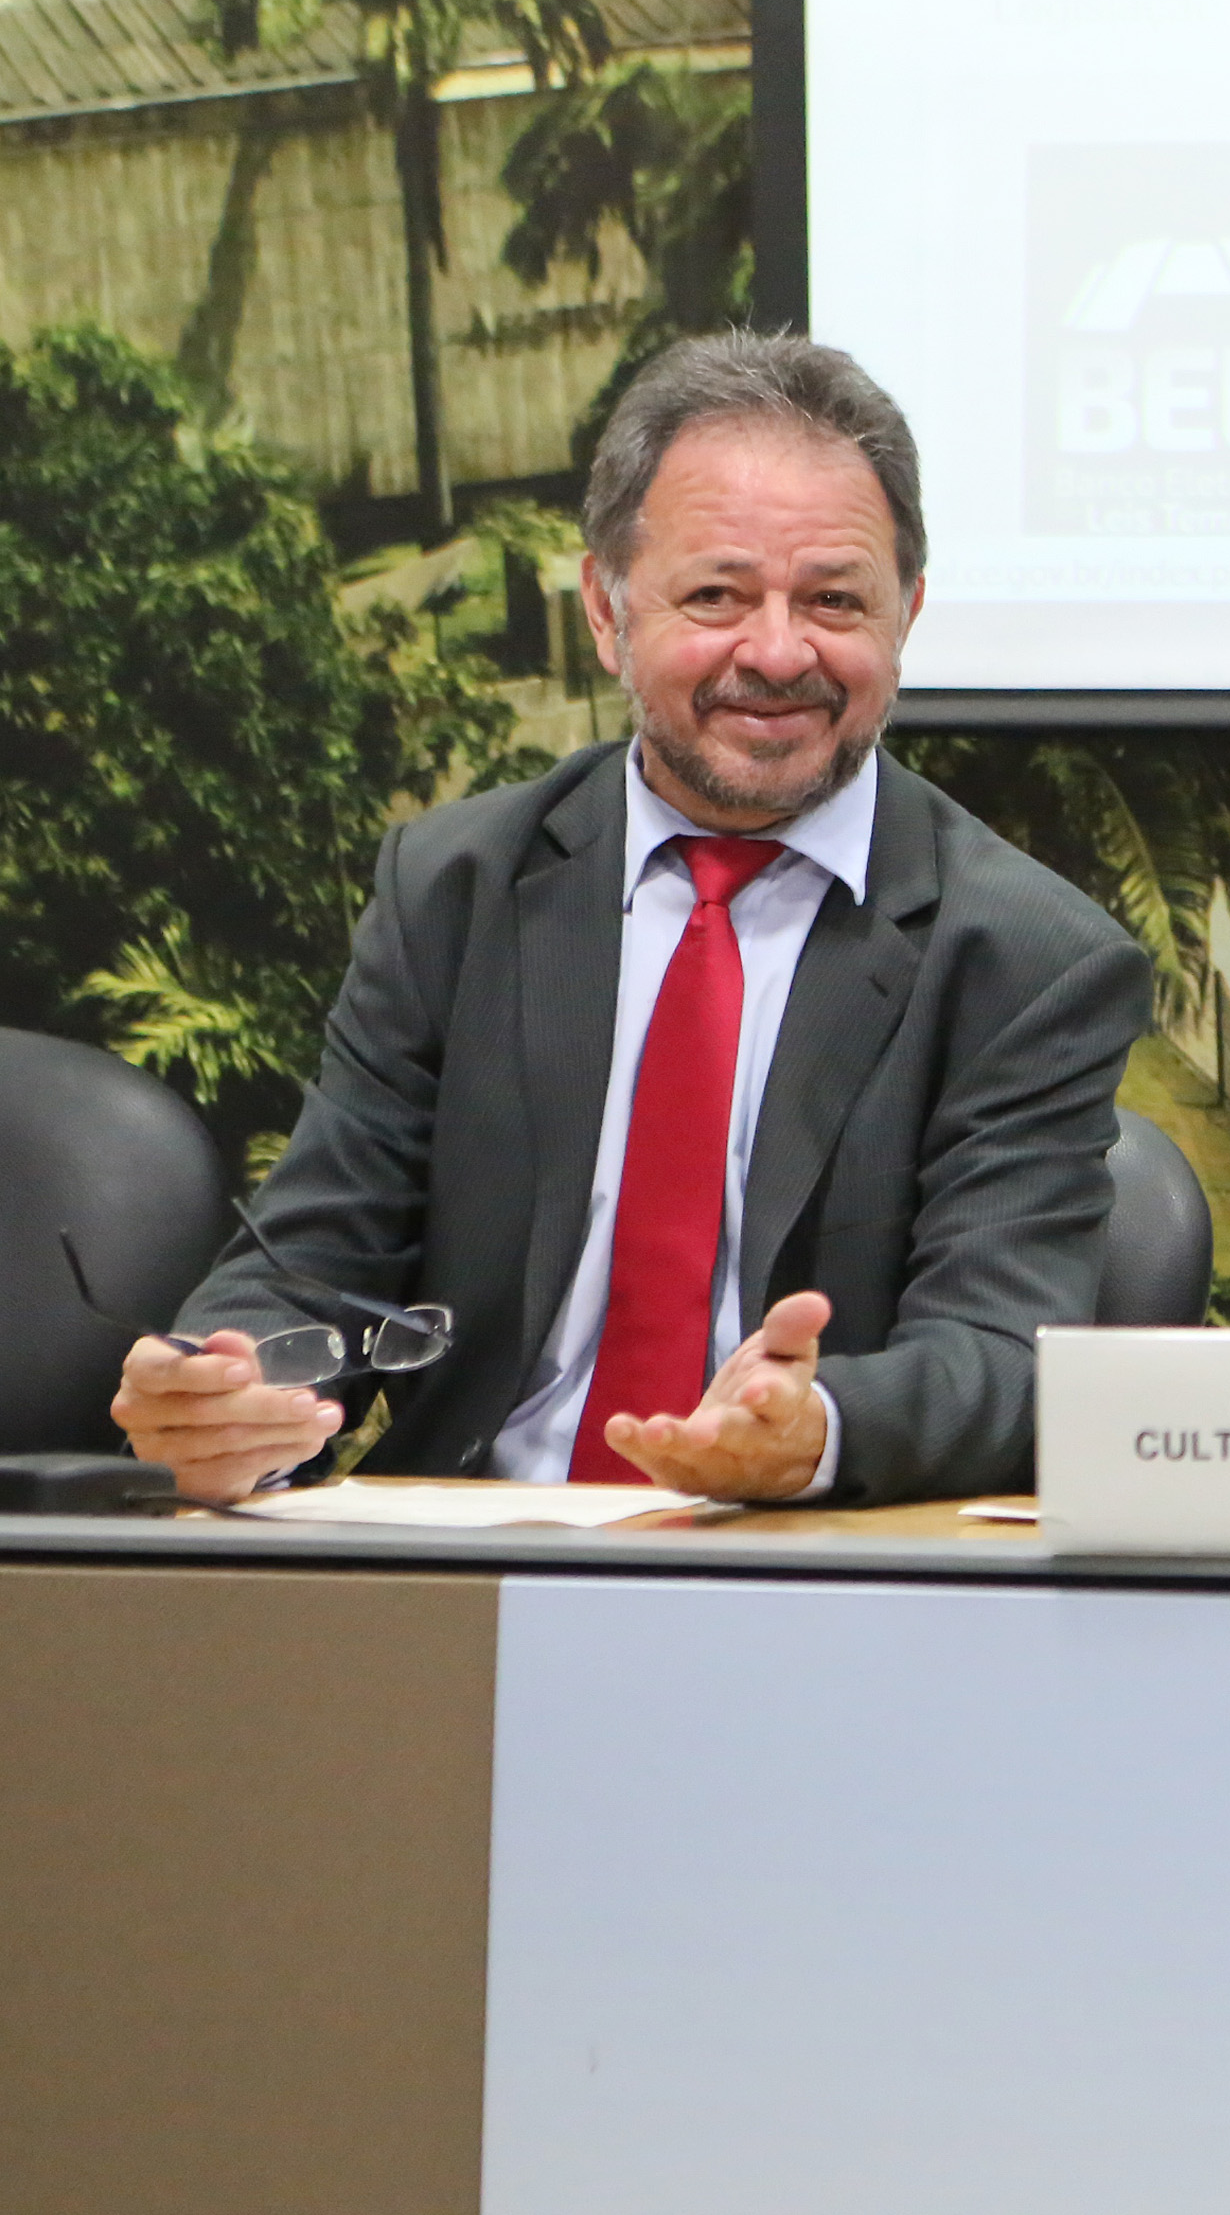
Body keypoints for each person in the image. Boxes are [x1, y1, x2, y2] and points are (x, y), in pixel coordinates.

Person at [110, 334, 1147, 1506]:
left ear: (906, 613)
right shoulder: (457, 886)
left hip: (803, 1562)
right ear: (607, 612)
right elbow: (312, 1260)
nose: (777, 651)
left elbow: (1001, 1353)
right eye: (715, 596)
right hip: (471, 1542)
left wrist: (816, 1432)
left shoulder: (1028, 956)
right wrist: (224, 1387)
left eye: (834, 600)